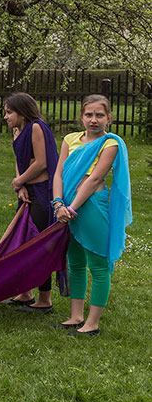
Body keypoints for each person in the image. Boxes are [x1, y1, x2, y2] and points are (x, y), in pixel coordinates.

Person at [52, 95, 132, 336]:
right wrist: (57, 204)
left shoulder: (111, 143)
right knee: (75, 263)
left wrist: (72, 208)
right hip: (65, 206)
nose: (94, 120)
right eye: (89, 115)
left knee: (97, 265)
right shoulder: (69, 140)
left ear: (109, 118)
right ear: (81, 117)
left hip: (91, 206)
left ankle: (92, 323)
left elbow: (95, 178)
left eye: (99, 115)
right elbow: (58, 174)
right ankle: (76, 316)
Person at [1, 92, 59, 312]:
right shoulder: (17, 130)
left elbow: (41, 163)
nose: (6, 117)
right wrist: (21, 186)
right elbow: (20, 160)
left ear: (22, 112)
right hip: (28, 191)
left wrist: (18, 180)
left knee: (38, 244)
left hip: (42, 193)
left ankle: (45, 299)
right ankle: (25, 293)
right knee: (23, 241)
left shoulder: (36, 127)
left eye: (9, 112)